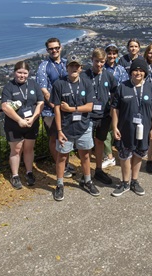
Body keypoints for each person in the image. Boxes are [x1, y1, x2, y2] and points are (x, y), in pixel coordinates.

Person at [111, 57, 152, 196]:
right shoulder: (123, 87)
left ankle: (134, 181)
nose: (138, 73)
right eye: (135, 70)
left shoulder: (151, 88)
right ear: (131, 72)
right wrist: (114, 127)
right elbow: (115, 108)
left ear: (145, 72)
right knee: (125, 155)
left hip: (144, 129)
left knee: (139, 153)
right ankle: (125, 182)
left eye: (141, 70)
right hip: (125, 128)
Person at [51, 56, 99, 201]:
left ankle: (87, 180)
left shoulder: (86, 83)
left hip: (83, 127)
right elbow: (57, 110)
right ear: (66, 68)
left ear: (80, 68)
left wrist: (71, 109)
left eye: (76, 66)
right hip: (65, 129)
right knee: (62, 157)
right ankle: (59, 184)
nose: (74, 68)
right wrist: (59, 131)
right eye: (71, 66)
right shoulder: (59, 84)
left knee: (85, 155)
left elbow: (90, 107)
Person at [1, 61, 44, 189]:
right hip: (14, 125)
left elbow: (40, 102)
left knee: (29, 148)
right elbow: (4, 106)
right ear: (15, 72)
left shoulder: (34, 84)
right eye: (19, 72)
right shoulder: (9, 87)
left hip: (32, 123)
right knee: (16, 150)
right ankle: (15, 175)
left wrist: (34, 117)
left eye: (24, 73)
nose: (22, 75)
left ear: (28, 73)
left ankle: (29, 172)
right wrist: (19, 120)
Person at [37, 38, 71, 177]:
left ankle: (66, 165)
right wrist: (55, 105)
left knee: (65, 137)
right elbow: (44, 90)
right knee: (53, 137)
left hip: (66, 108)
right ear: (47, 51)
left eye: (56, 47)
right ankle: (59, 165)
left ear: (60, 47)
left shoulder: (65, 63)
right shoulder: (44, 66)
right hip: (50, 110)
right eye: (51, 49)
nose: (54, 50)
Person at [82, 48, 118, 185]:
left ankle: (98, 170)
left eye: (102, 62)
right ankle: (86, 173)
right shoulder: (85, 76)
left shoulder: (109, 76)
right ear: (92, 60)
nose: (99, 64)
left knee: (100, 142)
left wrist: (112, 110)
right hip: (88, 115)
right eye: (97, 61)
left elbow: (115, 93)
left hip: (104, 115)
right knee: (86, 145)